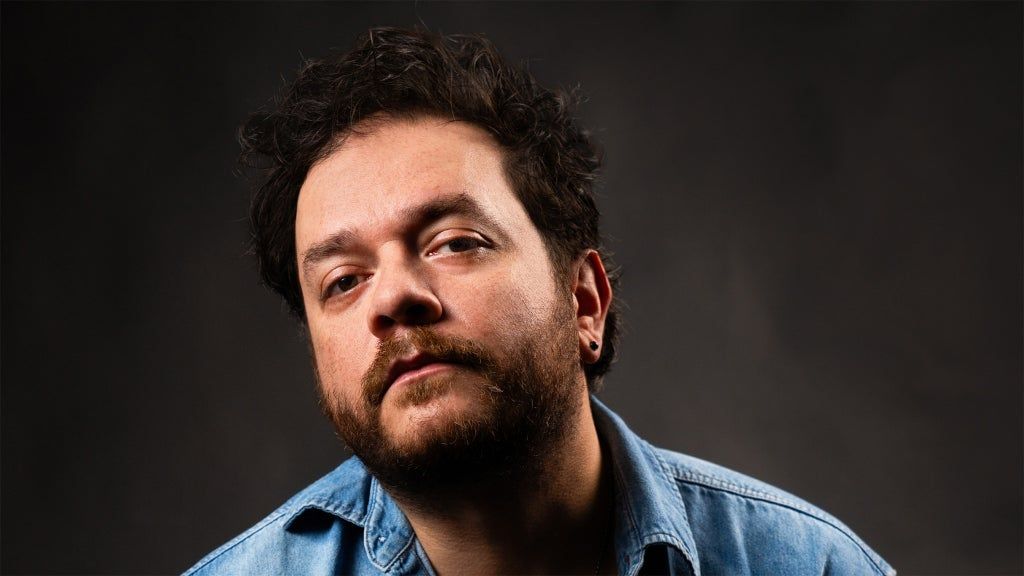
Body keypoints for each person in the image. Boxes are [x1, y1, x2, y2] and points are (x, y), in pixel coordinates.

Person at [185, 27, 895, 576]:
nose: (394, 297)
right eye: (343, 281)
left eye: (454, 242)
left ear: (584, 301)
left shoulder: (809, 565)